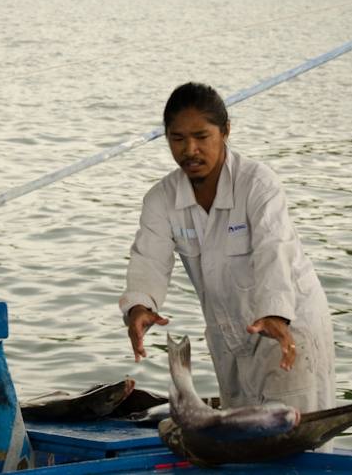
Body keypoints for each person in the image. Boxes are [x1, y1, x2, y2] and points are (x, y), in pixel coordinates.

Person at [119, 82, 334, 412]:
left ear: (225, 132)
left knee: (296, 438)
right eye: (178, 139)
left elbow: (273, 247)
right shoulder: (161, 198)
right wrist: (139, 307)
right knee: (242, 442)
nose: (190, 150)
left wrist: (275, 312)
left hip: (289, 327)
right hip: (230, 336)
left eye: (201, 137)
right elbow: (148, 257)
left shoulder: (258, 183)